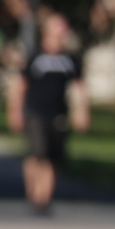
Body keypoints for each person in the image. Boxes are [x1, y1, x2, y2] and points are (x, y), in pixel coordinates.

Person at [7, 11, 90, 215]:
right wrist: (15, 111)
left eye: (64, 29)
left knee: (53, 158)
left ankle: (44, 198)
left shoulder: (70, 60)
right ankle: (34, 194)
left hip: (58, 114)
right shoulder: (35, 56)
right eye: (58, 28)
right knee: (38, 155)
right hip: (35, 112)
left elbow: (80, 87)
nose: (62, 33)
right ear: (47, 31)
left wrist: (82, 111)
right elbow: (20, 86)